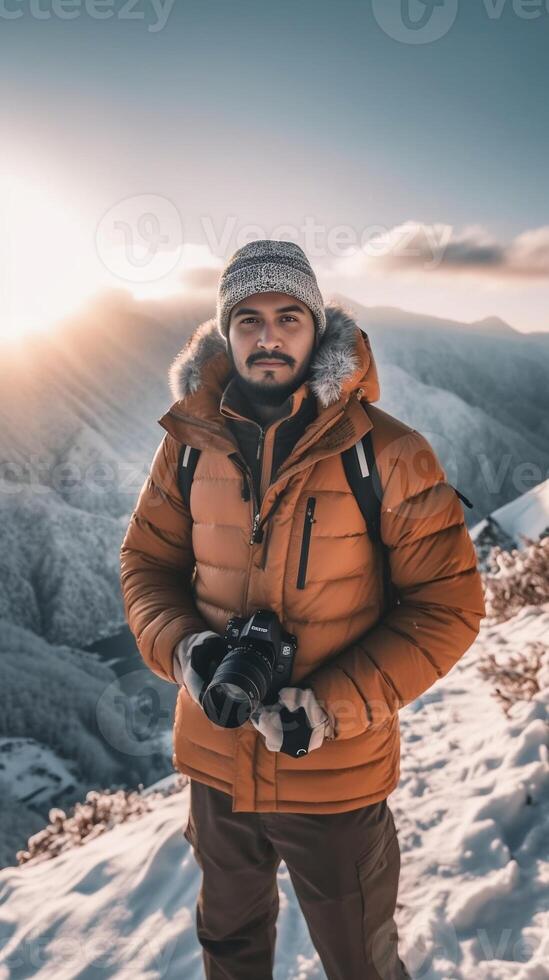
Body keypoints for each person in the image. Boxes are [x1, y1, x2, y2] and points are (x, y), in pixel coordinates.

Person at [120, 239, 486, 979]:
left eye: (288, 316)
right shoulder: (186, 446)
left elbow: (447, 605)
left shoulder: (385, 452)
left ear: (317, 327)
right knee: (229, 946)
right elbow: (146, 565)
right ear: (225, 331)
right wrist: (186, 650)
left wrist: (329, 706)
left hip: (335, 774)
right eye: (247, 318)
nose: (267, 336)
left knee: (360, 959)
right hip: (216, 760)